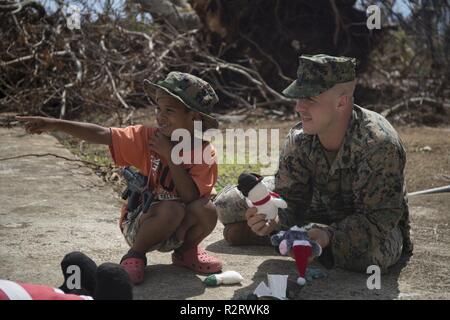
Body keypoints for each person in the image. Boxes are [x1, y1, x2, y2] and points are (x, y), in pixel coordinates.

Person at [16, 72, 223, 284]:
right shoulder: (148, 138)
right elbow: (102, 134)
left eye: (169, 110)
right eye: (158, 108)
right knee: (172, 208)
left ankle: (185, 253)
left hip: (179, 227)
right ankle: (135, 255)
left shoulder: (204, 152)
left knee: (206, 209)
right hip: (141, 222)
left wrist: (171, 157)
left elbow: (191, 198)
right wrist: (56, 123)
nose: (160, 116)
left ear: (194, 118)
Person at [215, 54, 413, 273]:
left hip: (363, 220)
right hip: (317, 207)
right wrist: (274, 220)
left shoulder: (379, 144)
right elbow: (290, 199)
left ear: (341, 101)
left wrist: (329, 235)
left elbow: (379, 219)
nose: (299, 107)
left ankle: (299, 241)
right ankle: (292, 238)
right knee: (226, 204)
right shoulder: (299, 138)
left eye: (310, 98)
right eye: (299, 97)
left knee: (371, 258)